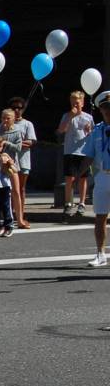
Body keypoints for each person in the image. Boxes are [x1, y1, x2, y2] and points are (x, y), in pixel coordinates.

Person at [79, 91, 110, 266]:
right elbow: (89, 155)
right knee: (100, 216)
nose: (108, 112)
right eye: (105, 109)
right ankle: (100, 253)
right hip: (102, 176)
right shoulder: (97, 130)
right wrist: (79, 175)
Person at [57, 90, 94, 219]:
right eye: (73, 103)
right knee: (69, 178)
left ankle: (82, 203)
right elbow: (61, 130)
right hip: (70, 150)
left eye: (77, 103)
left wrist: (89, 131)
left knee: (83, 178)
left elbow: (91, 135)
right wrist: (70, 117)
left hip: (84, 151)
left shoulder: (88, 117)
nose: (75, 106)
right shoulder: (66, 115)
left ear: (82, 103)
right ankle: (68, 202)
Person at [7, 96, 36, 227]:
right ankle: (10, 214)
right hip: (10, 160)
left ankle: (20, 214)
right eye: (14, 108)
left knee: (21, 188)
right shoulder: (6, 123)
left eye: (19, 108)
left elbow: (30, 142)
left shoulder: (27, 124)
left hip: (23, 160)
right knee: (10, 188)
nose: (17, 110)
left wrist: (14, 143)